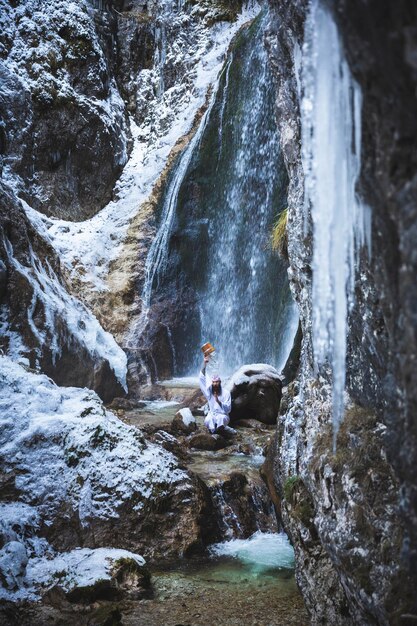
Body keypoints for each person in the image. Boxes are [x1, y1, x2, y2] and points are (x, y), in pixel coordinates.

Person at [199, 355, 231, 434]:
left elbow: (228, 409)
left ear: (220, 382)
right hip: (212, 414)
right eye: (213, 382)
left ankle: (220, 432)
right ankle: (213, 432)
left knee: (222, 419)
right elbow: (202, 379)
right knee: (208, 420)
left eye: (217, 382)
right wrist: (204, 364)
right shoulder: (209, 392)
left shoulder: (226, 393)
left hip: (222, 415)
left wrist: (219, 402)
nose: (215, 384)